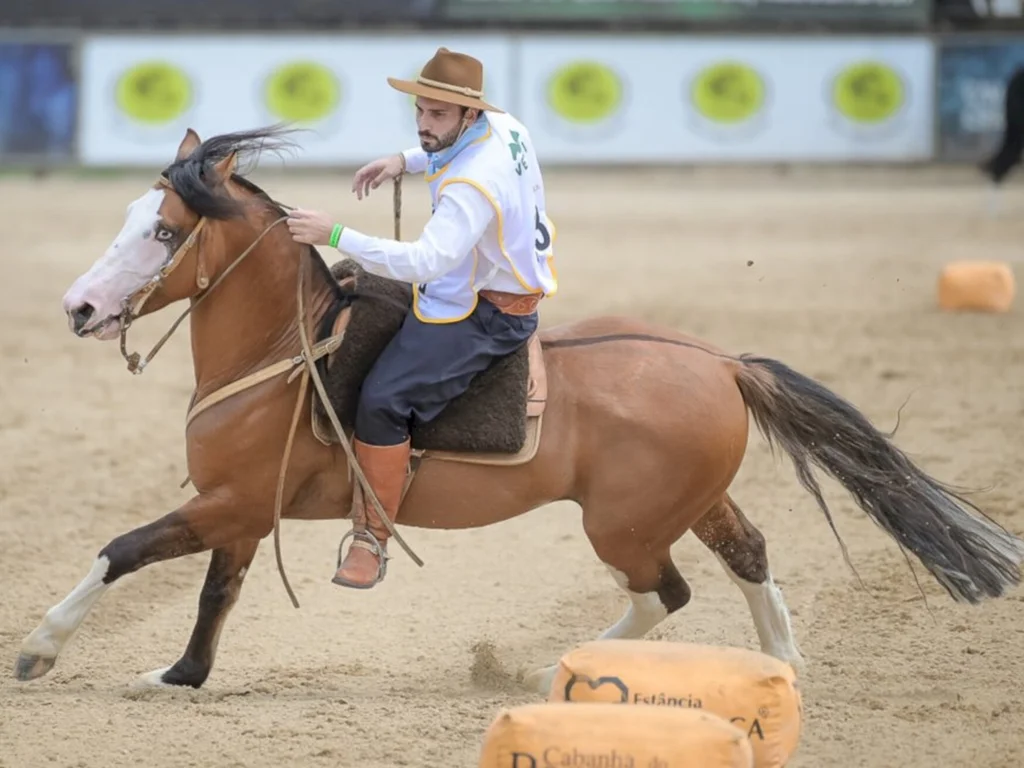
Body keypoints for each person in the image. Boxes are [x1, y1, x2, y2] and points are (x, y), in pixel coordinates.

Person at [286, 47, 558, 590]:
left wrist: (335, 234)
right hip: (481, 283)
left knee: (383, 400)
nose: (426, 124)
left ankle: (371, 537)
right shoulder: (506, 126)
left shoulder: (471, 187)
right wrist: (406, 159)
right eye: (421, 113)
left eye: (438, 117)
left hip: (484, 313)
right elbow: (445, 153)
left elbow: (426, 261)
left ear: (469, 114)